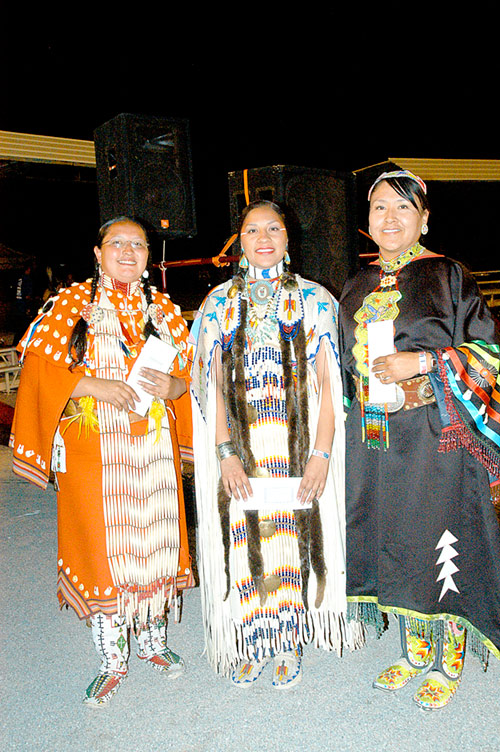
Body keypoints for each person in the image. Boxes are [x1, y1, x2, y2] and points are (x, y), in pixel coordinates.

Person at [11, 217, 194, 706]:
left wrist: (177, 387)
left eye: (138, 244)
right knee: (102, 551)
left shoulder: (164, 308)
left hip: (152, 449)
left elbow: (193, 368)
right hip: (94, 451)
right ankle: (112, 661)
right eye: (118, 243)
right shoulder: (72, 303)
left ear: (148, 257)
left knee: (154, 541)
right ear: (98, 252)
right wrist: (95, 386)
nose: (129, 251)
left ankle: (155, 644)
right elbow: (37, 363)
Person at [339, 170, 500, 711]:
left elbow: (491, 355)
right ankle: (413, 649)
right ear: (368, 221)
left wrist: (426, 362)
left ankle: (447, 659)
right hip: (376, 437)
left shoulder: (449, 276)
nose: (389, 218)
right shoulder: (354, 286)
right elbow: (342, 369)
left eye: (402, 209)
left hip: (437, 435)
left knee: (441, 539)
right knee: (393, 536)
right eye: (380, 208)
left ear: (423, 219)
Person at [190, 199, 359, 689]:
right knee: (242, 536)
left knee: (290, 534)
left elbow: (331, 386)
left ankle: (287, 639)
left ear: (289, 239)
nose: (263, 238)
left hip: (297, 444)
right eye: (251, 230)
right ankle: (253, 637)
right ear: (239, 242)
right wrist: (224, 452)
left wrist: (321, 455)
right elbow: (211, 387)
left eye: (273, 229)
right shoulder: (217, 304)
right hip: (239, 444)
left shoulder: (316, 301)